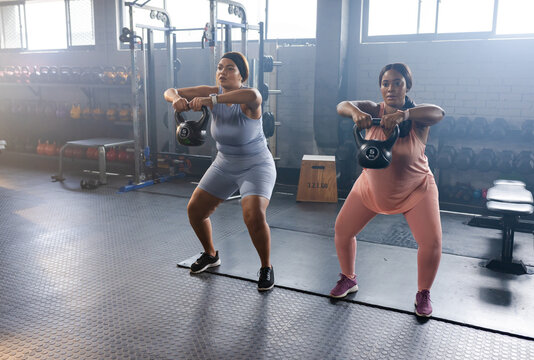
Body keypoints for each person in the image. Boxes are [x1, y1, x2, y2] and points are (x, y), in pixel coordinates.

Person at [331, 63, 445, 317]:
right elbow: (342, 105)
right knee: (342, 229)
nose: (391, 88)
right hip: (370, 188)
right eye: (385, 83)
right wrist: (353, 112)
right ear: (380, 87)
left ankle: (423, 293)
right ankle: (348, 278)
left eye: (397, 83)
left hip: (416, 190)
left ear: (407, 86)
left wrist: (404, 116)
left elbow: (439, 112)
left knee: (432, 242)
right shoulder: (373, 109)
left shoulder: (418, 116)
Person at [163, 51, 277, 291]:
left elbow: (254, 94)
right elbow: (170, 90)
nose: (222, 72)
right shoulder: (212, 91)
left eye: (230, 69)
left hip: (256, 165)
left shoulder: (247, 99)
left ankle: (266, 267)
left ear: (242, 76)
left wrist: (210, 101)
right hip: (225, 163)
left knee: (253, 213)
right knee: (195, 210)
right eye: (219, 67)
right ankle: (211, 254)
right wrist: (176, 99)